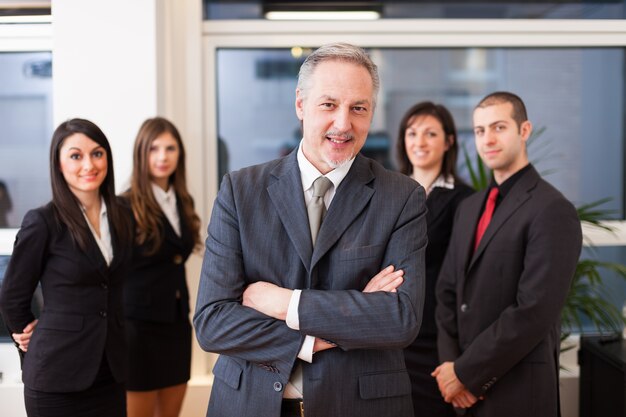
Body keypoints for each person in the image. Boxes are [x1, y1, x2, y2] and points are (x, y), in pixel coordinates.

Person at [193, 42, 427, 417]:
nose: (343, 124)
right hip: (250, 403)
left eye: (358, 108)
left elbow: (399, 319)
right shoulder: (241, 191)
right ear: (300, 104)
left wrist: (284, 303)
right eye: (328, 104)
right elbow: (213, 322)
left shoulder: (401, 197)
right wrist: (317, 336)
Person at [434, 91, 582, 417]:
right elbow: (447, 291)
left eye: (499, 127)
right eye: (479, 130)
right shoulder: (469, 207)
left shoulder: (553, 209)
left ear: (524, 130)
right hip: (461, 394)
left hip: (518, 393)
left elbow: (534, 311)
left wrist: (466, 374)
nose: (488, 139)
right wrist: (450, 366)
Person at [0, 118, 133, 417]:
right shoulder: (44, 221)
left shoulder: (123, 214)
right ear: (59, 165)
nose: (89, 164)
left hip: (110, 373)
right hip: (56, 375)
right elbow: (12, 296)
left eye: (97, 153)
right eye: (76, 156)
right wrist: (25, 337)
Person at [397, 102, 473, 417]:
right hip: (389, 331)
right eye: (412, 133)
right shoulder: (387, 192)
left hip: (436, 336)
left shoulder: (466, 200)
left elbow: (465, 274)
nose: (420, 142)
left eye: (431, 134)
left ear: (449, 141)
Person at [122, 117, 201, 417]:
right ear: (141, 153)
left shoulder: (182, 201)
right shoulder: (124, 206)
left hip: (177, 323)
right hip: (137, 328)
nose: (162, 157)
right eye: (154, 148)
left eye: (170, 148)